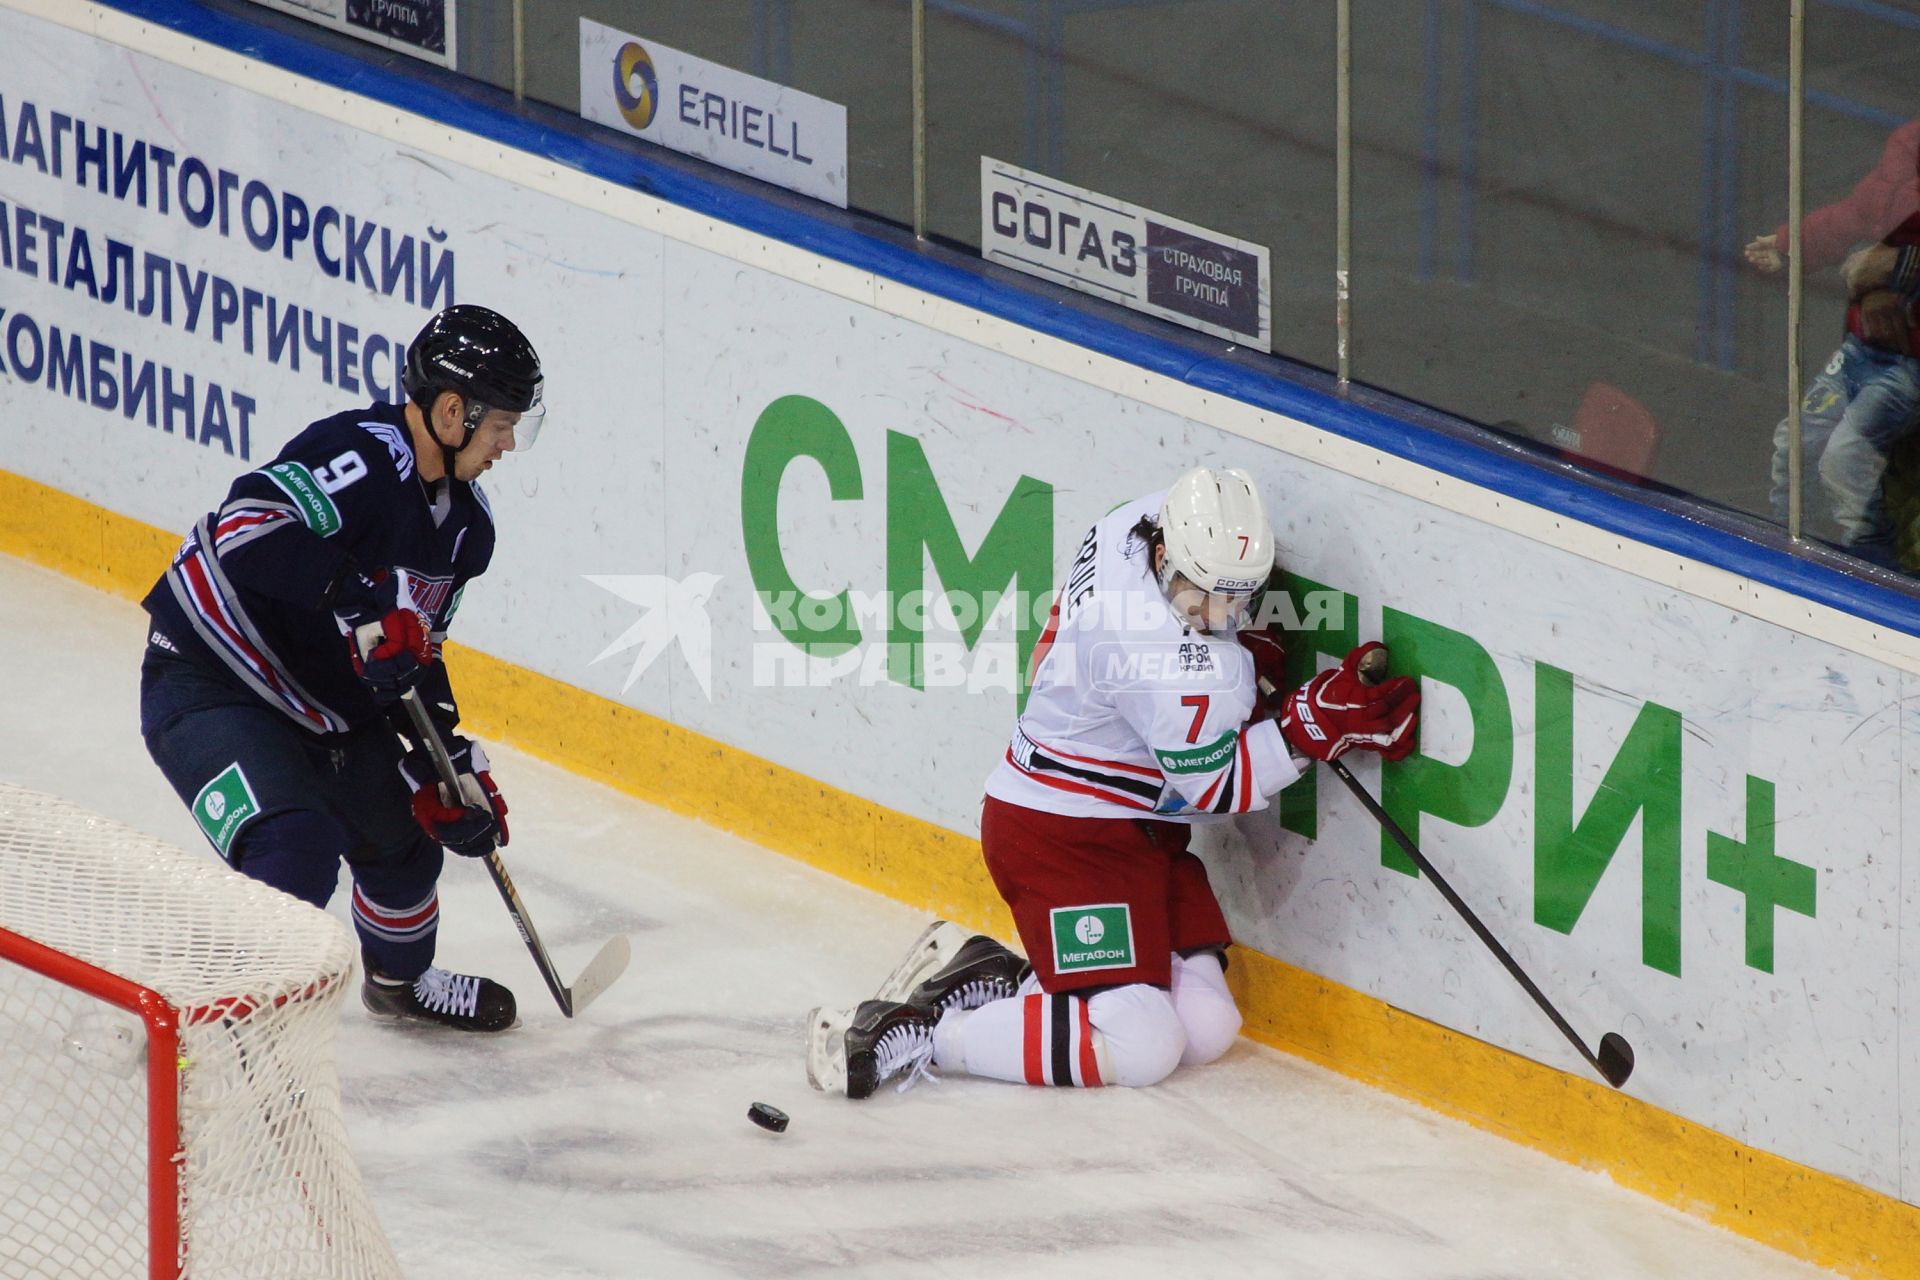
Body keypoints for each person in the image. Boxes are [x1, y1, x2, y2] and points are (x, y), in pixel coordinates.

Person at [806, 466, 1421, 1098]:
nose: (1217, 615)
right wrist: (1301, 732)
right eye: (1203, 595)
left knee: (1208, 1027)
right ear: (1163, 555)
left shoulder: (1138, 519)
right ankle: (924, 1032)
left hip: (1134, 827)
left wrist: (1239, 650)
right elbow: (1209, 792)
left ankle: (1005, 975)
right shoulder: (1154, 655)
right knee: (1145, 1045)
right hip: (1058, 836)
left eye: (1238, 599)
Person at [138, 304, 545, 1033]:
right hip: (211, 682)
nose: (510, 444)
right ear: (453, 411)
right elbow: (245, 530)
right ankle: (230, 1027)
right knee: (293, 850)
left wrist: (447, 763)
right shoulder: (361, 451)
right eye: (501, 424)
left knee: (404, 844)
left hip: (323, 704)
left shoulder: (467, 532)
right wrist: (356, 597)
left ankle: (400, 984)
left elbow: (416, 652)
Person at [1747, 119, 1920, 568]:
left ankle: (1871, 567)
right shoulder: (1897, 172)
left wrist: (1883, 271)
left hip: (1908, 367)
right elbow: (1847, 219)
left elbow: (1879, 259)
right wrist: (1790, 245)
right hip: (1862, 351)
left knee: (1845, 459)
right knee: (1795, 440)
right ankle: (1787, 535)